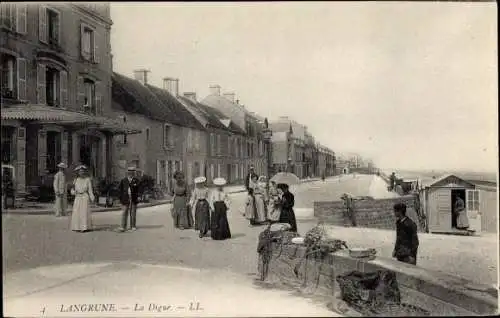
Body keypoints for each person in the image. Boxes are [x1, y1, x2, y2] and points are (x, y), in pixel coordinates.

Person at [70, 165, 95, 232]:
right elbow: (72, 189)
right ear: (78, 172)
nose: (81, 173)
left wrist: (92, 197)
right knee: (77, 212)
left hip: (84, 197)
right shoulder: (76, 180)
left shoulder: (87, 180)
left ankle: (84, 227)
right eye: (80, 171)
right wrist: (74, 192)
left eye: (82, 171)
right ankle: (77, 227)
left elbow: (90, 190)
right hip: (78, 197)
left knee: (84, 212)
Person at [117, 167, 140, 232]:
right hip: (125, 198)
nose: (130, 174)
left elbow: (139, 189)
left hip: (134, 198)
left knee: (133, 212)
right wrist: (120, 198)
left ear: (134, 173)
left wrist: (138, 196)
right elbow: (120, 189)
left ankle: (133, 226)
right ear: (127, 173)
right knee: (124, 212)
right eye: (129, 172)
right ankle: (123, 226)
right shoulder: (123, 180)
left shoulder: (136, 180)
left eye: (132, 172)